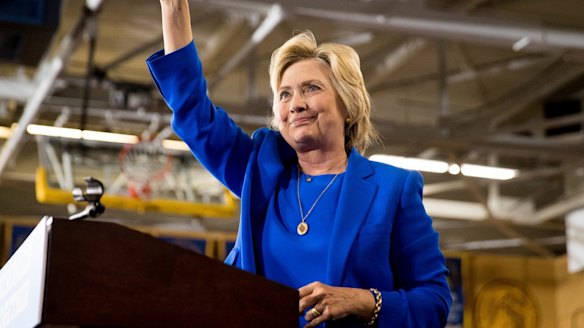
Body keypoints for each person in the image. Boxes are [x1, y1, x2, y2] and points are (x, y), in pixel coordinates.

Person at [148, 1, 452, 326]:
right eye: (284, 94)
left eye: (311, 88)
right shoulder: (259, 171)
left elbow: (434, 301)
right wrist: (174, 8)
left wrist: (364, 300)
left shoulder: (394, 190)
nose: (296, 104)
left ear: (348, 106)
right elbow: (194, 111)